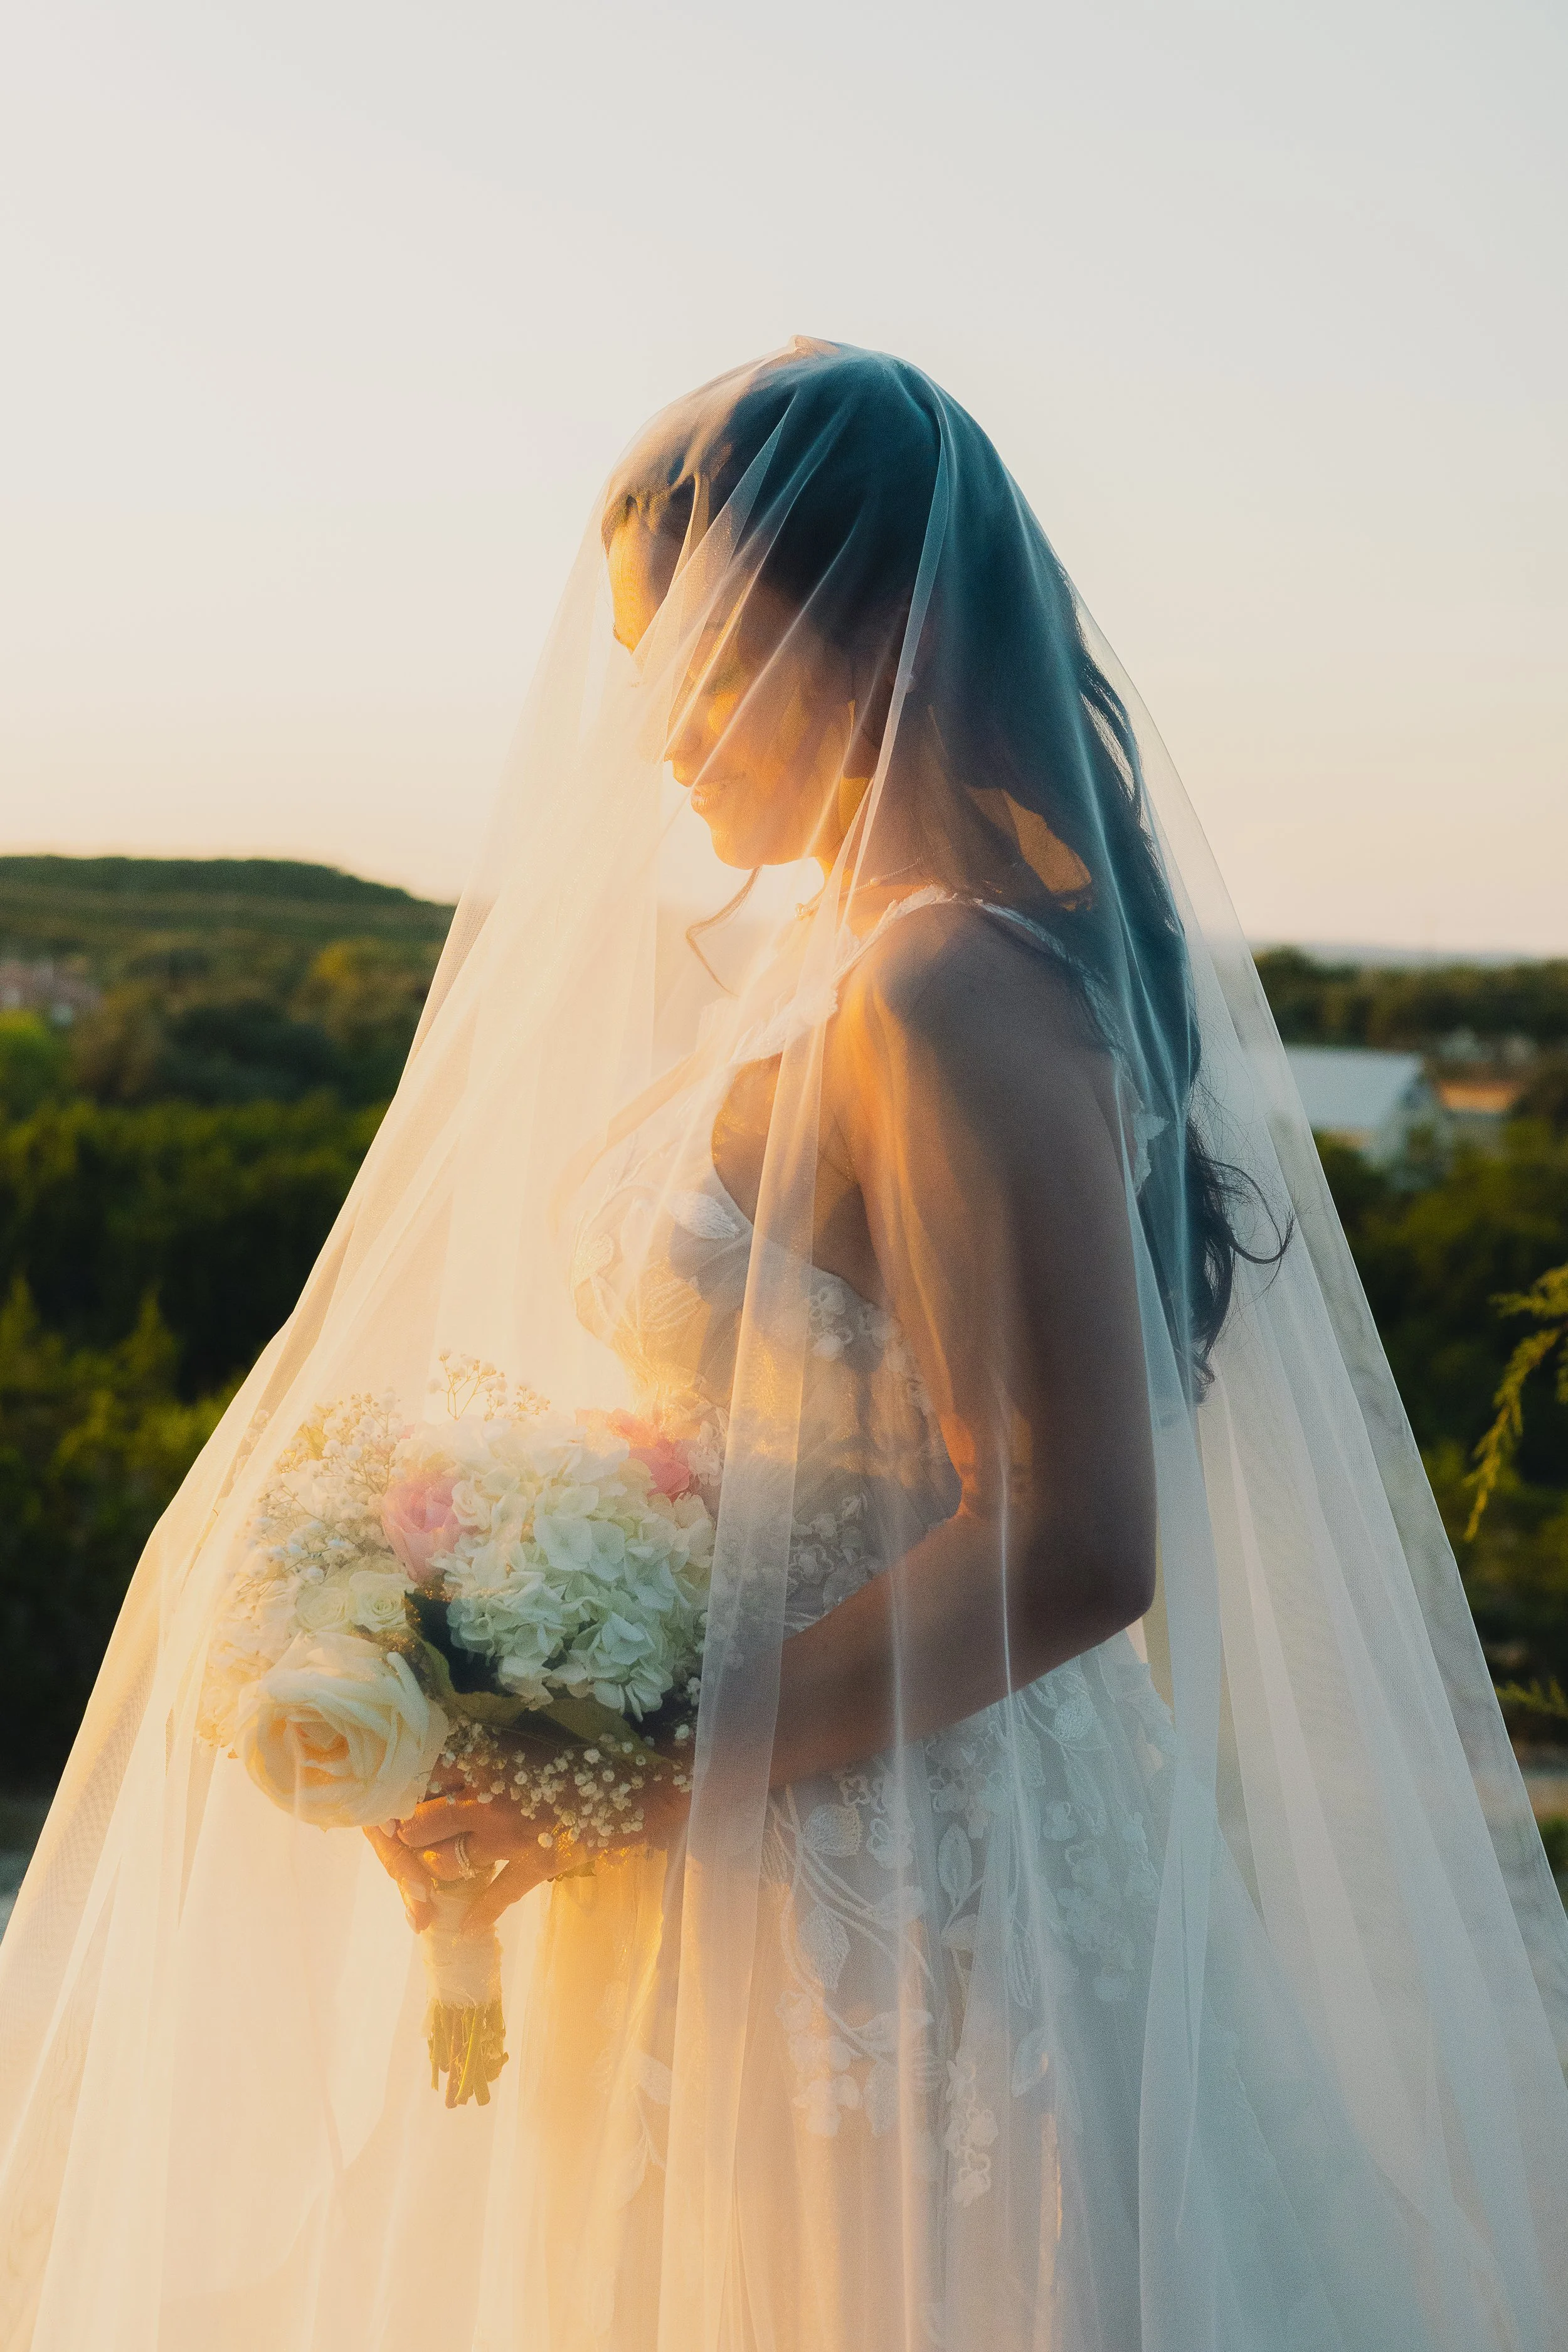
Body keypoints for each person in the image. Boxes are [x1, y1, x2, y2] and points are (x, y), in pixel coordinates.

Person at [1, 339, 1564, 2351]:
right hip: (772, 1816)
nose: (657, 726)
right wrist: (504, 1617)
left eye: (704, 658)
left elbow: (1077, 1539)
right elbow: (803, 1411)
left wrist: (633, 1766)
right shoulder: (851, 952)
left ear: (864, 634)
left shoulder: (940, 983)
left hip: (899, 1880)